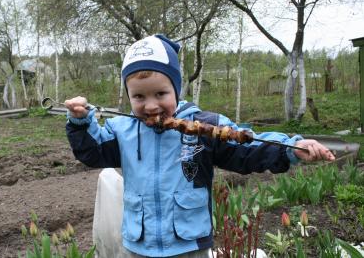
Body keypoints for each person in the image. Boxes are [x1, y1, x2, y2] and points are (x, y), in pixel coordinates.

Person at [64, 34, 335, 258]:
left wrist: (289, 148)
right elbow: (92, 152)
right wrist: (80, 123)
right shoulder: (120, 130)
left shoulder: (206, 126)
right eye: (138, 96)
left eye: (161, 93)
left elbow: (247, 149)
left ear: (177, 88)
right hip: (139, 245)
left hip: (189, 244)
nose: (150, 105)